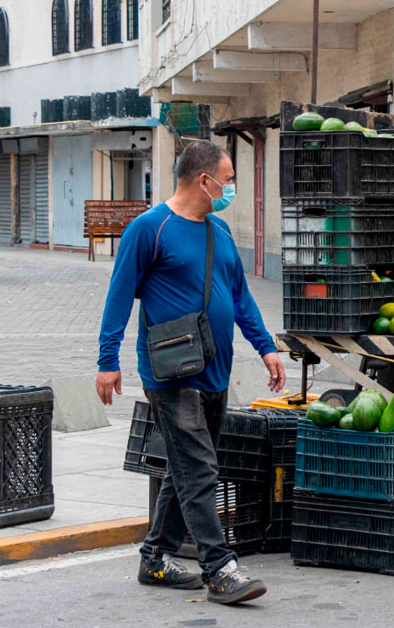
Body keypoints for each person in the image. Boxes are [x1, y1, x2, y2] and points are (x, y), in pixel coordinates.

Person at [95, 140, 285, 605]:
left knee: (186, 470)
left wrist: (266, 348)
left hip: (215, 372)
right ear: (205, 180)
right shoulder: (149, 229)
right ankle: (220, 569)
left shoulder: (218, 233)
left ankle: (154, 558)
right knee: (200, 470)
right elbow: (119, 294)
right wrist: (107, 361)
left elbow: (239, 297)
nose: (231, 186)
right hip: (171, 374)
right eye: (229, 177)